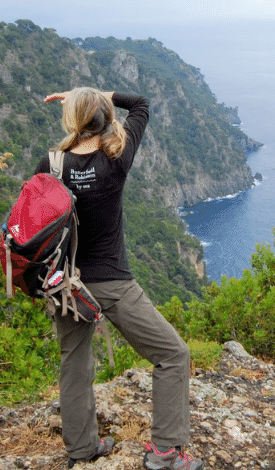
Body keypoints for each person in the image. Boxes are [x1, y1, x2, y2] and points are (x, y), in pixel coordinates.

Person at [35, 88, 205, 470]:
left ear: (72, 121)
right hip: (114, 283)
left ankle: (82, 451)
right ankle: (165, 453)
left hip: (67, 285)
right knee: (173, 355)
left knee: (74, 364)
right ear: (106, 119)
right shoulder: (116, 161)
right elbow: (143, 103)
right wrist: (100, 95)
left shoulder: (51, 165)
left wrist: (82, 102)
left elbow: (36, 219)